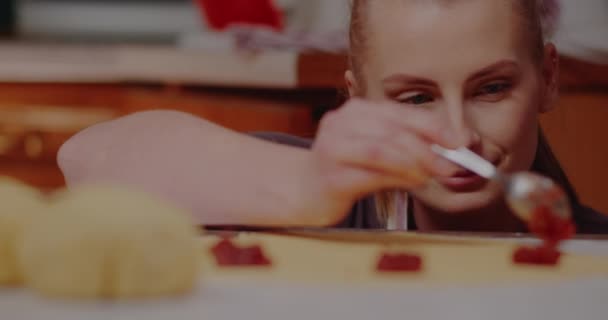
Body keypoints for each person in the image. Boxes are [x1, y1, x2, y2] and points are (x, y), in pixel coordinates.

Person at [57, 0, 608, 233]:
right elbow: (84, 158)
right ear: (355, 99)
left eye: (492, 88)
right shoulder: (335, 206)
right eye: (416, 99)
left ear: (549, 79)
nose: (460, 136)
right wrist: (306, 182)